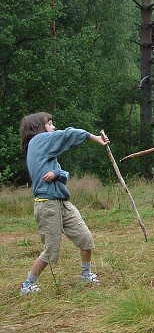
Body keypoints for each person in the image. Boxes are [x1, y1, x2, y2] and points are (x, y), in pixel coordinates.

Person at [19, 112, 110, 296]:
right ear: (38, 127)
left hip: (62, 202)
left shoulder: (46, 152)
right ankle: (28, 284)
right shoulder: (38, 141)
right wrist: (93, 138)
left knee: (86, 239)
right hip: (47, 204)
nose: (54, 127)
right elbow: (68, 134)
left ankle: (86, 275)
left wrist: (57, 174)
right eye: (50, 124)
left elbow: (63, 173)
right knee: (51, 249)